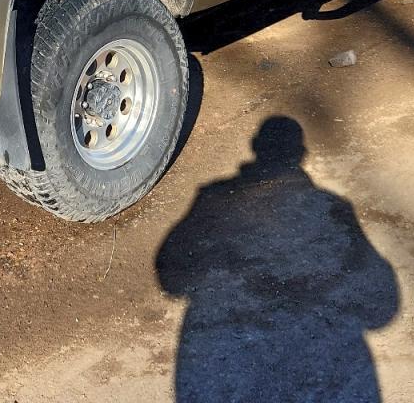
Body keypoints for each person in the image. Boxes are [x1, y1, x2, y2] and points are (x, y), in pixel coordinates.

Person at [156, 116, 398, 402]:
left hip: (230, 370)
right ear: (301, 155)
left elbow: (170, 279)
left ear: (255, 146)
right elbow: (383, 309)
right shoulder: (334, 210)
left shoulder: (212, 199)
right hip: (317, 373)